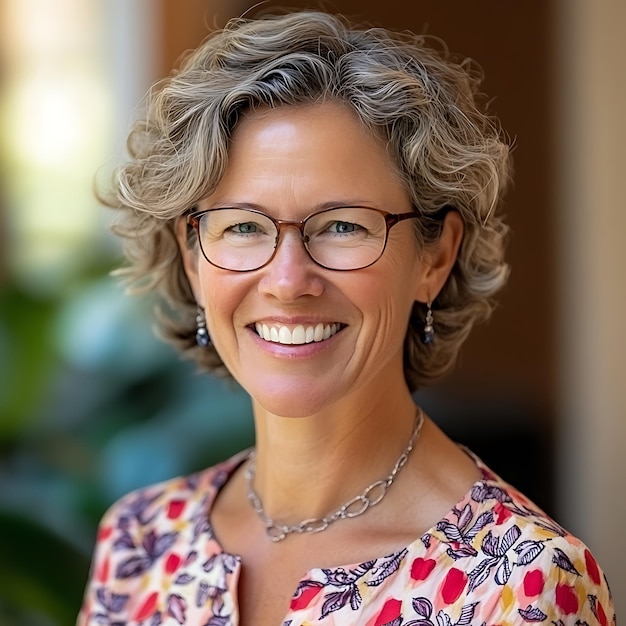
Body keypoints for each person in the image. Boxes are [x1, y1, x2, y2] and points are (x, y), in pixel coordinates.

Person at [77, 10, 615, 626]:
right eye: (244, 227)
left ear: (434, 257)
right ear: (193, 258)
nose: (287, 281)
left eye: (341, 226)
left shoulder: (521, 584)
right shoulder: (139, 543)